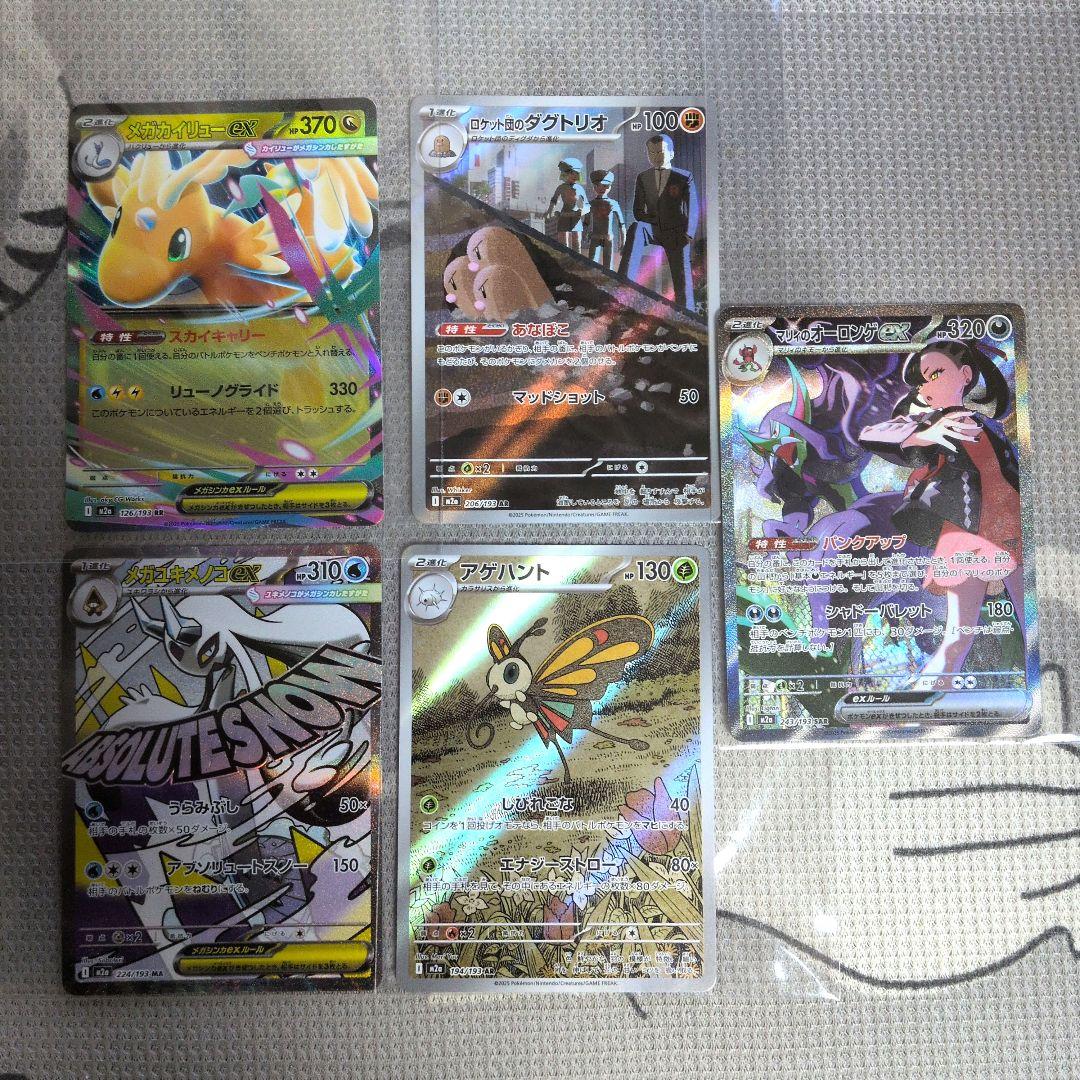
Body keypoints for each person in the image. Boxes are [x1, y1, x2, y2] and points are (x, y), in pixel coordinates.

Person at [858, 340, 1024, 681]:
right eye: (922, 381)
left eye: (935, 373)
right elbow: (871, 434)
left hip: (1010, 525)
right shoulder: (932, 424)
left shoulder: (987, 423)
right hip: (966, 534)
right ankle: (928, 697)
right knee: (957, 639)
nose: (926, 385)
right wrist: (925, 433)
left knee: (1034, 622)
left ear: (965, 375)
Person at [619, 134, 699, 310]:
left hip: (677, 232)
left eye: (660, 152)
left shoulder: (684, 177)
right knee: (637, 227)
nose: (656, 156)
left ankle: (688, 312)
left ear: (671, 153)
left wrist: (688, 234)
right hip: (653, 228)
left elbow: (693, 208)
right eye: (652, 153)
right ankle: (624, 284)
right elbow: (638, 211)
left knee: (682, 277)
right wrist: (656, 221)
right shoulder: (643, 178)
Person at [582, 169, 625, 269]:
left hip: (607, 238)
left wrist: (623, 242)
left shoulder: (613, 204)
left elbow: (621, 224)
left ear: (610, 186)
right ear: (594, 187)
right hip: (596, 237)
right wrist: (584, 235)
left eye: (605, 186)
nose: (601, 188)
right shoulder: (591, 204)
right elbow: (586, 222)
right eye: (598, 185)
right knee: (592, 265)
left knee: (608, 267)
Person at [544, 158, 588, 254]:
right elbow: (554, 200)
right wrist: (550, 211)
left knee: (577, 244)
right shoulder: (561, 187)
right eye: (572, 173)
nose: (575, 176)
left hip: (576, 217)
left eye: (576, 173)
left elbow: (586, 205)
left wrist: (582, 211)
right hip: (564, 217)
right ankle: (564, 260)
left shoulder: (580, 189)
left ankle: (577, 261)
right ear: (565, 173)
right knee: (563, 244)